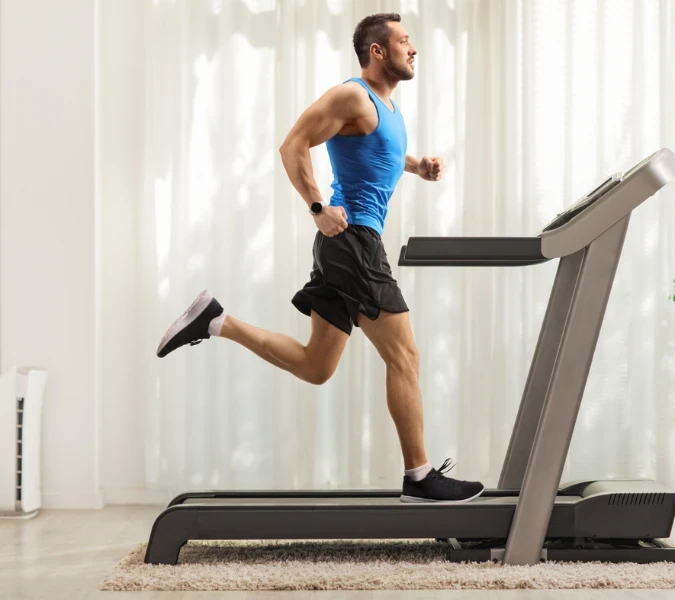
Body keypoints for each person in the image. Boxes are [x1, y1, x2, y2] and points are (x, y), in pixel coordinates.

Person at [156, 13, 485, 503]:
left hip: (346, 245)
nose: (414, 49)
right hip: (353, 242)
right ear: (378, 51)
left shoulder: (387, 109)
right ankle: (419, 477)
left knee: (316, 366)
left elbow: (381, 155)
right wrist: (316, 207)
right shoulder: (353, 94)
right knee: (406, 356)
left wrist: (419, 166)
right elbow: (293, 144)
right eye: (404, 41)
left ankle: (216, 321)